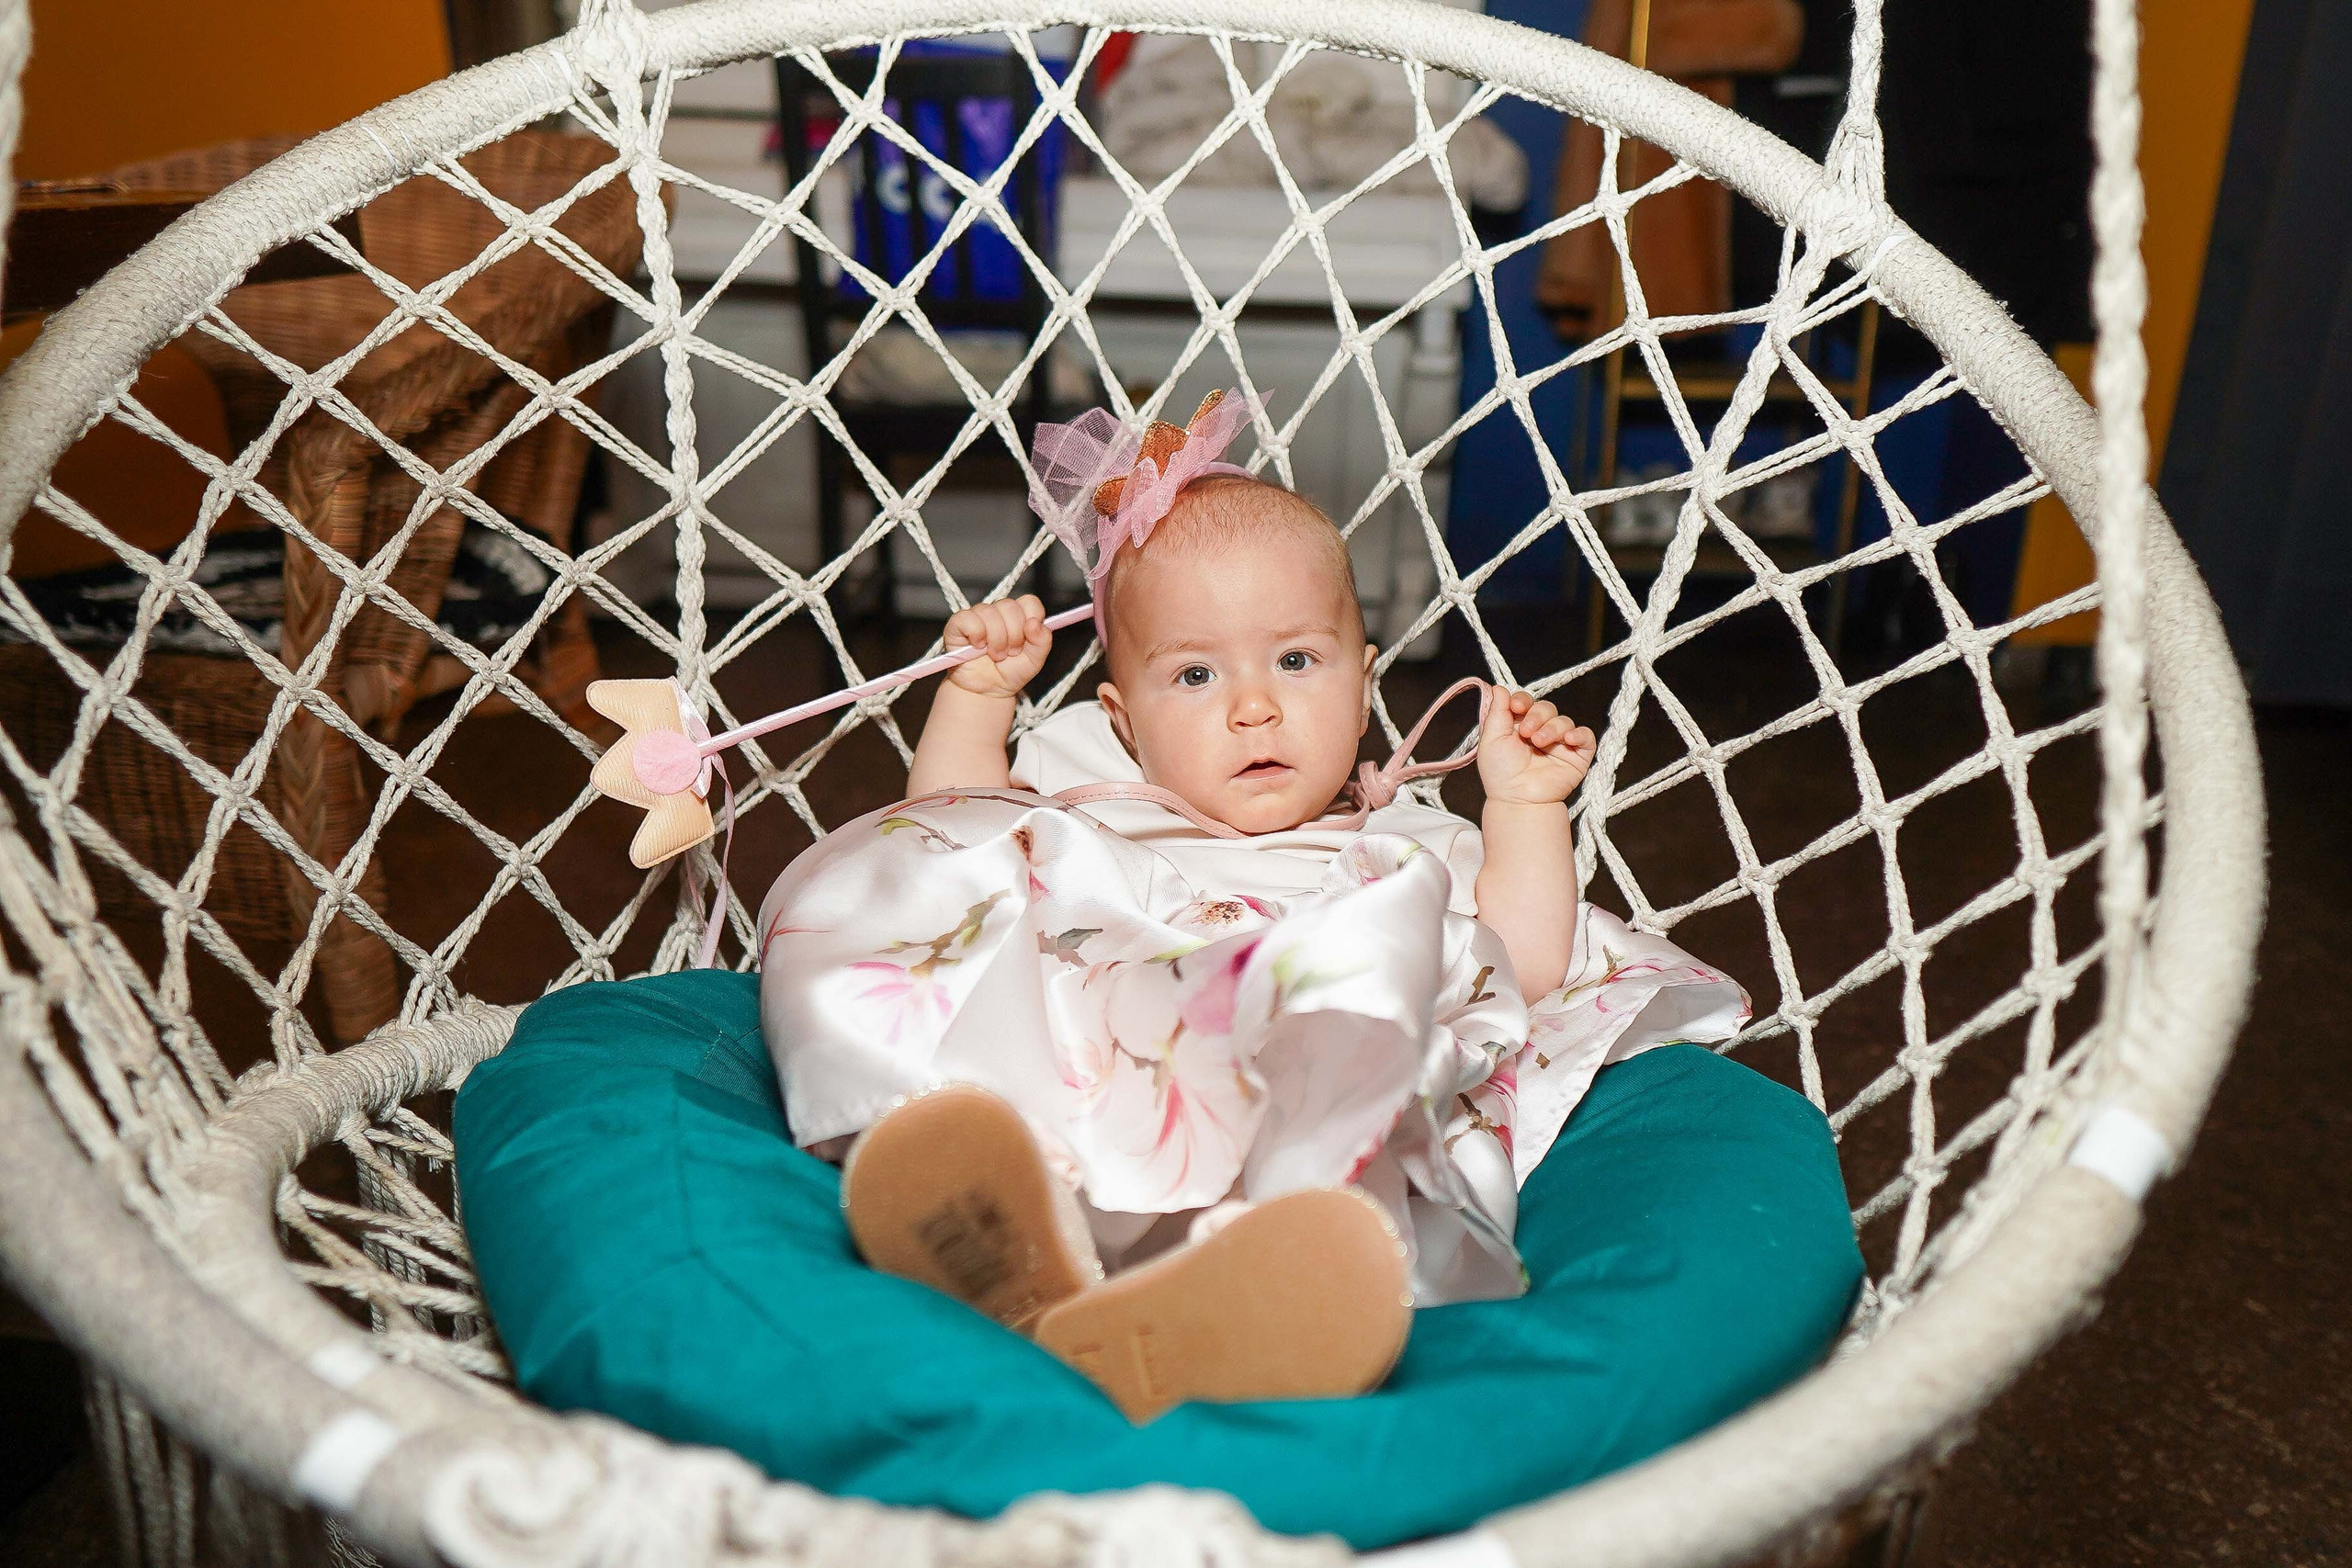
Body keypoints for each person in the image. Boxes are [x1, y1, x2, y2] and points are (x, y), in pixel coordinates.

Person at [758, 392, 1748, 1421]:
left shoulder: (1399, 846)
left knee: (1379, 1020)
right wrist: (979, 699)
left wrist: (1525, 808)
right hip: (1096, 1088)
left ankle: (1242, 1297)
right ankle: (1005, 1229)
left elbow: (1526, 966)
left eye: (1295, 660)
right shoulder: (1085, 783)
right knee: (930, 909)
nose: (1254, 706)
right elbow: (940, 842)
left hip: (1296, 1123)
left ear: (1366, 686)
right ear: (1124, 720)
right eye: (1193, 674)